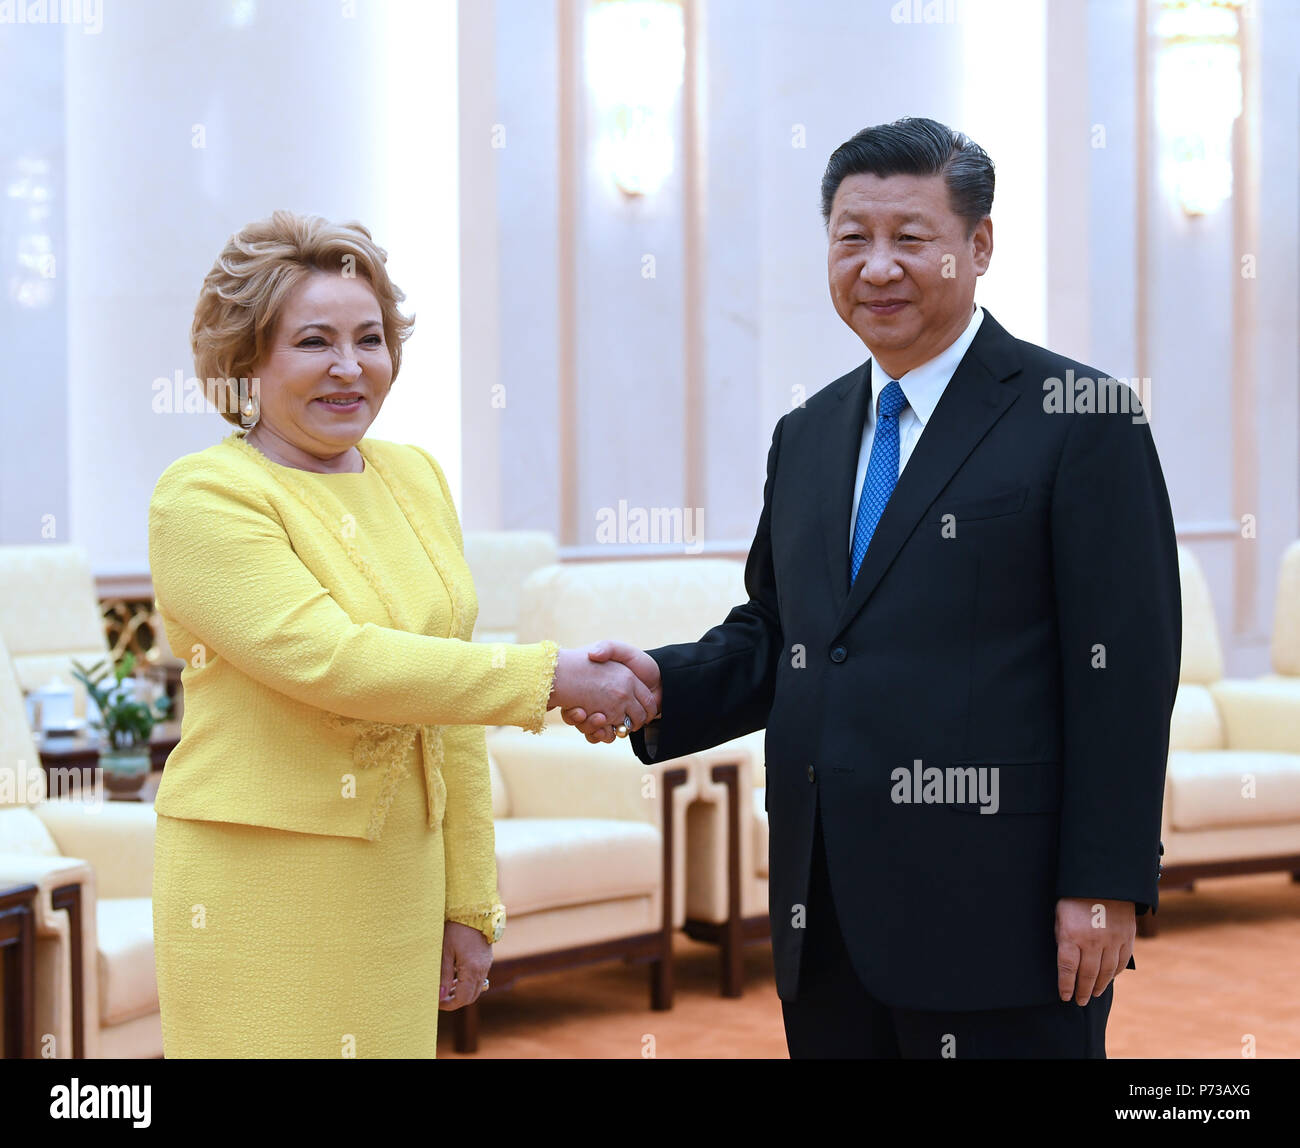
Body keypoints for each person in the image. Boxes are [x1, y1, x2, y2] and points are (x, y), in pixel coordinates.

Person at [562, 117, 1182, 1058]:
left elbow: (1126, 673)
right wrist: (660, 682)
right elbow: (787, 633)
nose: (878, 265)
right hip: (828, 915)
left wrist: (1104, 881)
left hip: (1002, 920)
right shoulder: (807, 433)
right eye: (853, 238)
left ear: (978, 246)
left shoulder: (1078, 416)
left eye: (911, 237)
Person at [148, 210, 658, 1058]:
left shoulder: (414, 479)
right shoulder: (202, 498)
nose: (350, 368)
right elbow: (335, 661)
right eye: (314, 341)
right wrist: (550, 677)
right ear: (247, 361)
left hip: (398, 877)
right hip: (260, 884)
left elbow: (445, 699)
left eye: (371, 338)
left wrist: (469, 901)